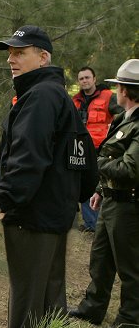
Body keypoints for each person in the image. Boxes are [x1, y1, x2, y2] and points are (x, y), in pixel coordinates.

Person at [0, 25, 97, 328]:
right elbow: (83, 161)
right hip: (53, 215)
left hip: (31, 217)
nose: (10, 59)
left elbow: (28, 160)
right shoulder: (55, 94)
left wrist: (0, 206)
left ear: (43, 57)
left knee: (28, 301)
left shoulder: (40, 97)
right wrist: (73, 198)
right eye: (9, 53)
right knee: (49, 300)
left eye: (20, 53)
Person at [69, 59, 139, 328]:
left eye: (119, 85)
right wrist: (101, 188)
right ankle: (92, 309)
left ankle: (130, 319)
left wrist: (95, 165)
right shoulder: (124, 118)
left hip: (130, 207)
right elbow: (113, 157)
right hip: (111, 200)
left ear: (125, 90)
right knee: (100, 260)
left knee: (129, 267)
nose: (117, 90)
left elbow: (130, 169)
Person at [72, 66, 123, 232]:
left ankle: (100, 223)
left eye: (87, 77)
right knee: (84, 184)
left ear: (94, 79)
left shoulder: (108, 96)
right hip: (80, 149)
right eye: (81, 78)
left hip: (101, 150)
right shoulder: (75, 100)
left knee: (101, 185)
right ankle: (90, 224)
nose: (85, 81)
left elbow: (124, 116)